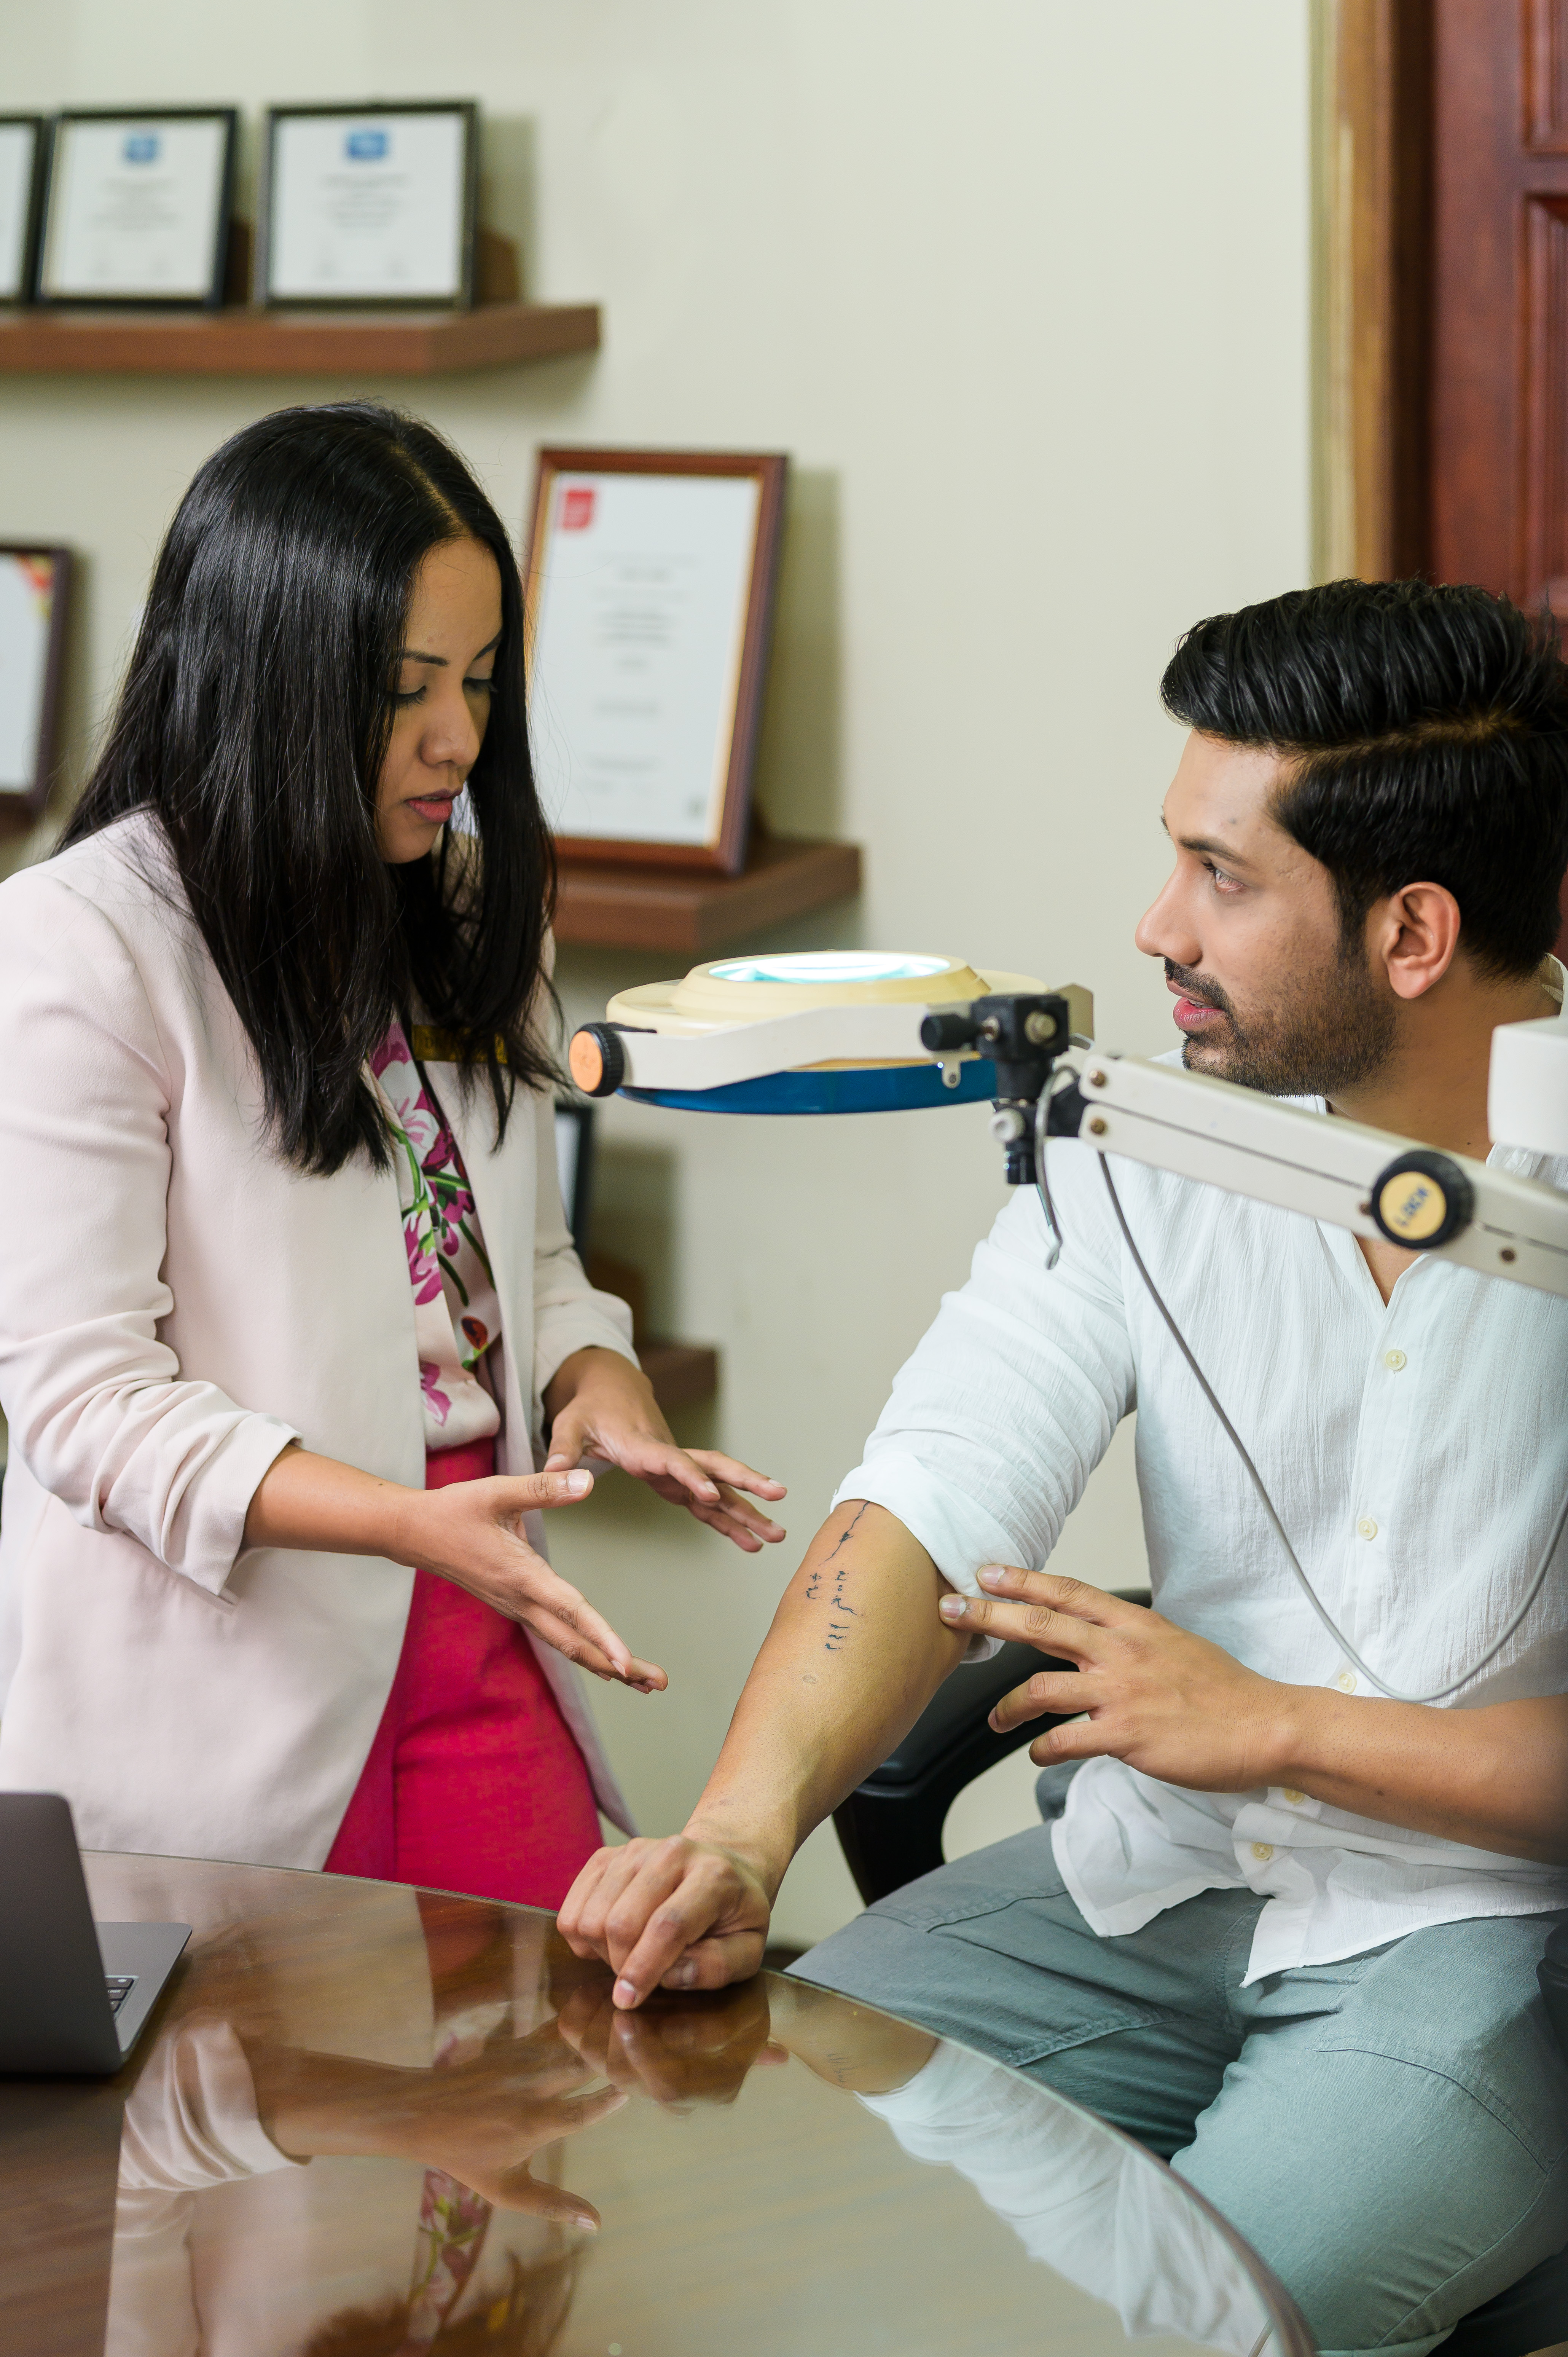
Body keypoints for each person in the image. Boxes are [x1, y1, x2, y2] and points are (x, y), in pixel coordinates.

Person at [559, 578, 1568, 2353]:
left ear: (1411, 933)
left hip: (1475, 1940)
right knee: (752, 2192)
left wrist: (1281, 1725)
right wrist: (739, 1830)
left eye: (1224, 878)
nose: (1156, 924)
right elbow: (932, 1493)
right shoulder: (1141, 1149)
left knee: (1171, 2331)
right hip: (1145, 1876)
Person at [0, 401, 786, 1909]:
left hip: (481, 1621)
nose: (460, 740)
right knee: (261, 2138)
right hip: (236, 1669)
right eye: (407, 689)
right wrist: (403, 1522)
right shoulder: (83, 945)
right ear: (273, 676)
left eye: (483, 683)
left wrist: (591, 1379)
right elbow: (84, 1403)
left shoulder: (471, 908)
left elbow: (518, 1259)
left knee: (537, 2108)